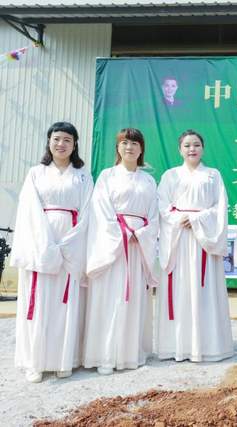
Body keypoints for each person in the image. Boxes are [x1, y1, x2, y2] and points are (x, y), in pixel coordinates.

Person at [11, 122, 93, 383]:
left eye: (67, 139)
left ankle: (63, 360)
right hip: (40, 242)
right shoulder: (36, 173)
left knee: (64, 302)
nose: (61, 144)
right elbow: (29, 211)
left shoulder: (82, 175)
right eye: (56, 138)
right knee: (39, 301)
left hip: (71, 243)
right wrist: (46, 244)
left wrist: (68, 243)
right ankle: (35, 362)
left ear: (75, 144)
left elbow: (87, 212)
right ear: (49, 141)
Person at [83, 128, 159, 375]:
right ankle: (105, 356)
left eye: (135, 143)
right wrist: (123, 233)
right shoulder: (107, 176)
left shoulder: (148, 180)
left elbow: (154, 215)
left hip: (138, 246)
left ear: (141, 148)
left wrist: (142, 234)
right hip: (114, 246)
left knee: (133, 297)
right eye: (125, 143)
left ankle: (130, 354)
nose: (130, 147)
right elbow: (101, 210)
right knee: (111, 296)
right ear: (118, 147)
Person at [156, 130, 233, 362]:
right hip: (179, 238)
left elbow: (220, 207)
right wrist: (180, 219)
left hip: (203, 240)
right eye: (187, 145)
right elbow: (162, 206)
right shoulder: (170, 175)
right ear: (180, 149)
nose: (192, 149)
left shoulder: (213, 175)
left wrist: (198, 219)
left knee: (204, 289)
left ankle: (207, 346)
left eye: (197, 144)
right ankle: (177, 346)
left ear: (203, 148)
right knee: (180, 288)